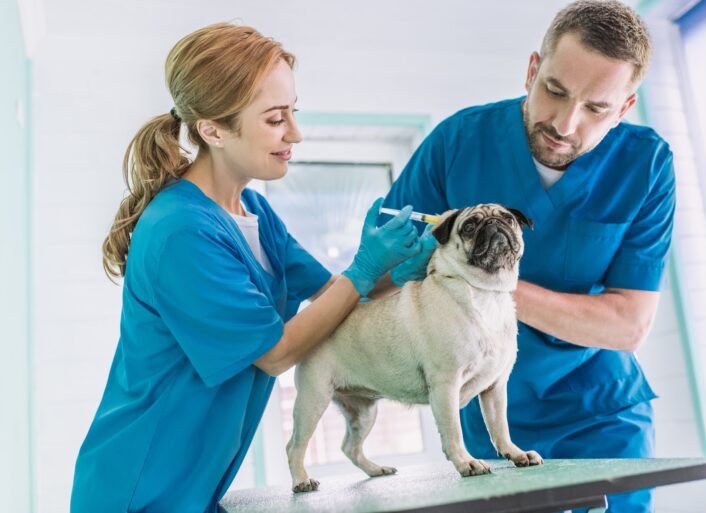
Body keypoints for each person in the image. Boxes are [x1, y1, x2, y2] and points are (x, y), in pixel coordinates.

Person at [70, 23, 428, 513]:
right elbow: (276, 354)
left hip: (193, 489)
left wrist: (405, 267)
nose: (295, 134)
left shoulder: (254, 211)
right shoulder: (181, 231)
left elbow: (336, 299)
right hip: (137, 490)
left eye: (293, 113)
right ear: (212, 129)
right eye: (276, 119)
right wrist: (365, 270)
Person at [383, 1, 674, 512]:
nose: (564, 123)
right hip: (491, 425)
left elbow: (628, 324)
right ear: (533, 69)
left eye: (596, 109)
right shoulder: (456, 143)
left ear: (625, 108)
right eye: (554, 91)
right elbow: (385, 269)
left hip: (599, 417)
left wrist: (483, 281)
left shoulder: (645, 165)